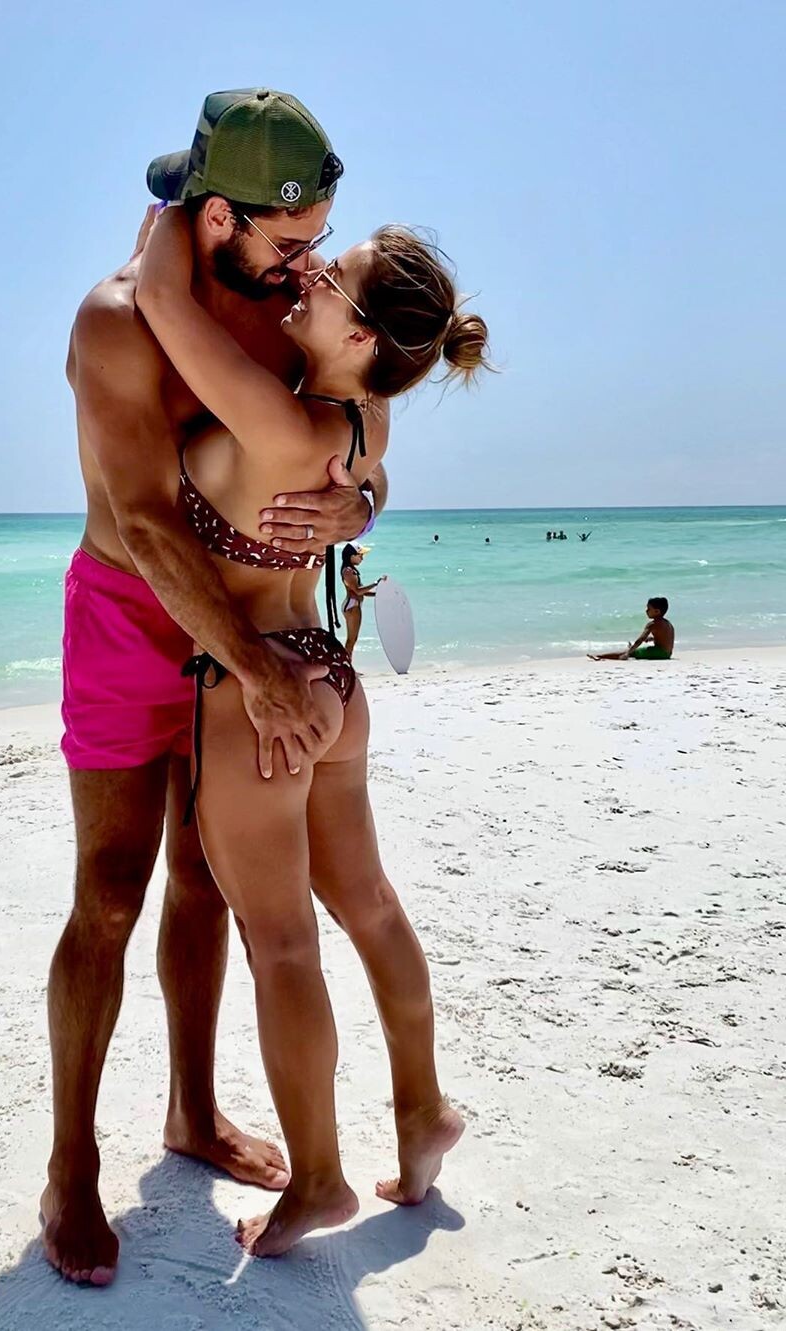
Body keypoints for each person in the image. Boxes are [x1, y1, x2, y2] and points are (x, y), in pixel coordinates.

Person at [44, 89, 387, 1287]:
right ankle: (71, 1162)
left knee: (209, 879)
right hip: (130, 617)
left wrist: (359, 505)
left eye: (318, 241)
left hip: (244, 623)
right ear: (221, 217)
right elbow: (144, 521)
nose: (310, 267)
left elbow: (352, 418)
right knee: (109, 889)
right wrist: (255, 670)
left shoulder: (285, 307)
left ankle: (191, 1108)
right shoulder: (118, 320)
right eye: (291, 242)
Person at [135, 204, 488, 1256]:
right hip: (331, 675)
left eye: (331, 273)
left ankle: (321, 1178)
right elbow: (369, 477)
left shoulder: (283, 424)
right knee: (369, 904)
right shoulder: (364, 422)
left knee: (283, 940)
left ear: (361, 334)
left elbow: (159, 298)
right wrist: (365, 505)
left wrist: (180, 208)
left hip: (260, 693)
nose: (310, 271)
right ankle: (423, 1111)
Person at [589, 597, 674, 660]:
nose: (646, 611)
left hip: (659, 653)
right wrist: (652, 638)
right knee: (635, 650)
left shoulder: (652, 624)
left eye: (649, 609)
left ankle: (600, 656)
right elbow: (666, 638)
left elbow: (640, 640)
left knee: (631, 652)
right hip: (667, 653)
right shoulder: (668, 623)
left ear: (657, 611)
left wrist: (628, 652)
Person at [340, 543, 384, 658]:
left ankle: (347, 663)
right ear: (352, 556)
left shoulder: (351, 570)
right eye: (360, 555)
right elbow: (358, 591)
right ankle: (346, 664)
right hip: (352, 607)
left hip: (353, 605)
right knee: (351, 640)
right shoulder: (348, 571)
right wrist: (375, 583)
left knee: (352, 639)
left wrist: (378, 594)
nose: (362, 558)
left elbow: (360, 591)